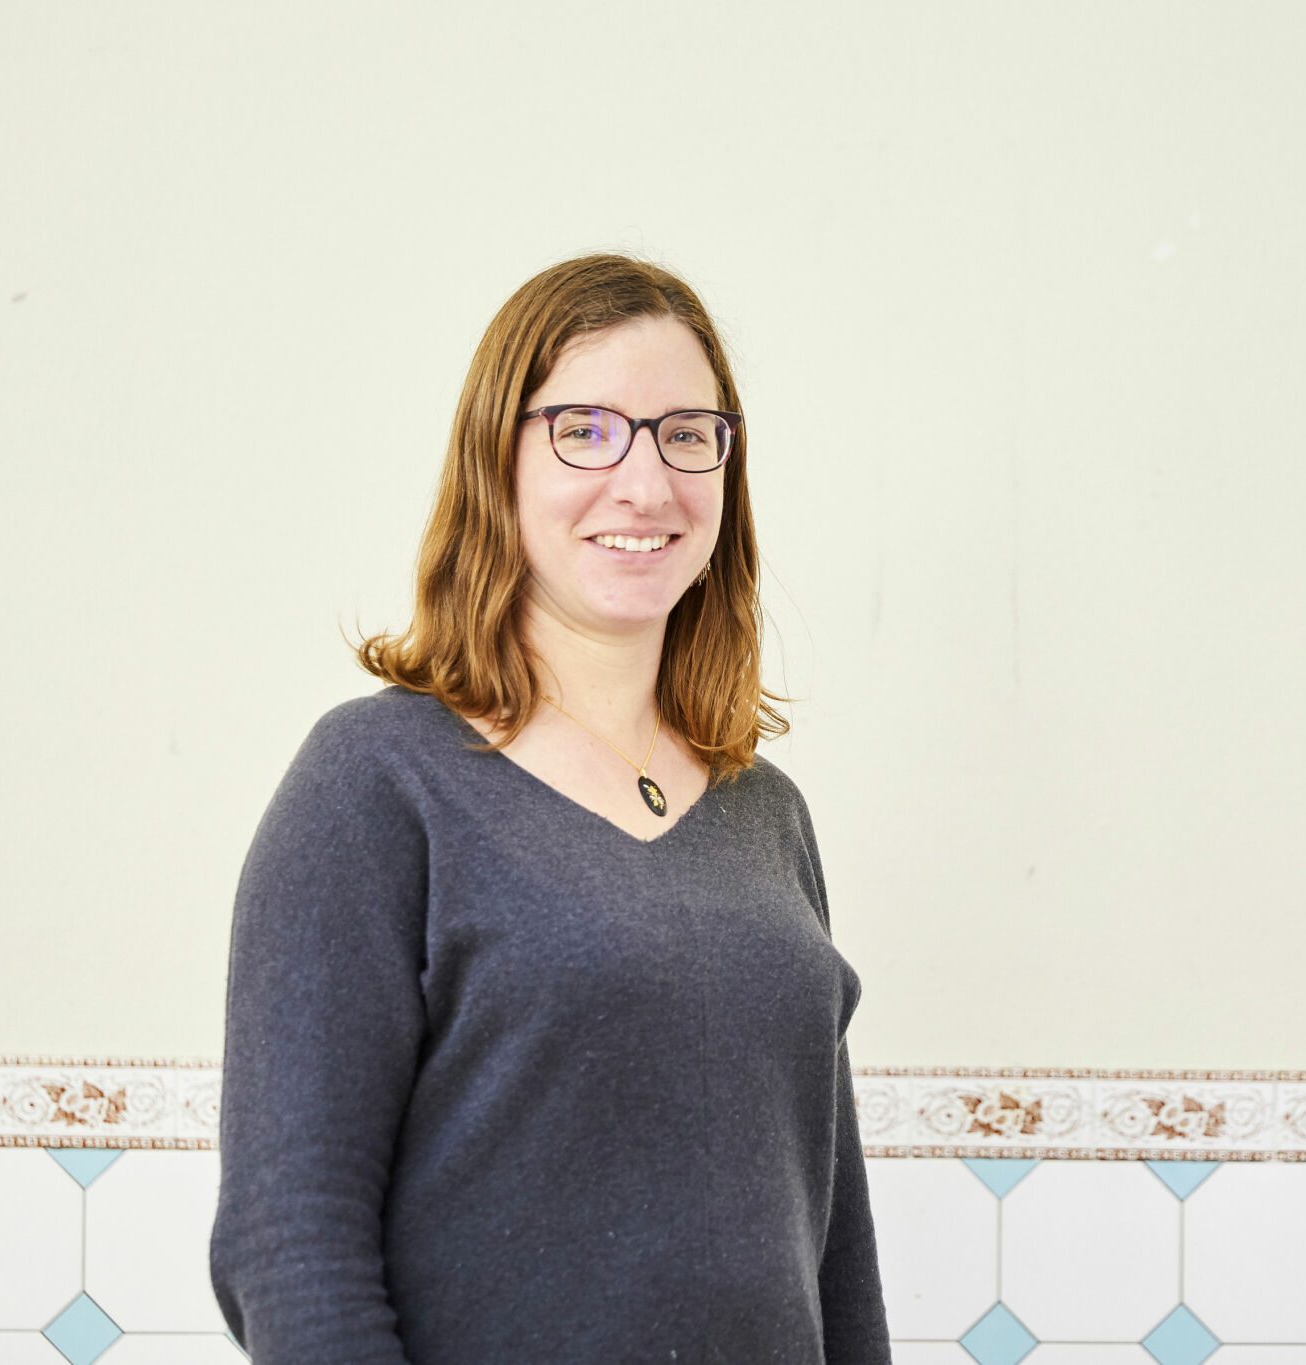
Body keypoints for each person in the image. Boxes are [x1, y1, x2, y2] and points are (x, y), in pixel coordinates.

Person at [208, 252, 891, 1363]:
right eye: (586, 431)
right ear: (498, 461)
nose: (645, 483)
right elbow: (288, 1243)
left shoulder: (768, 818)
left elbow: (835, 1255)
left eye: (686, 434)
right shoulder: (375, 781)